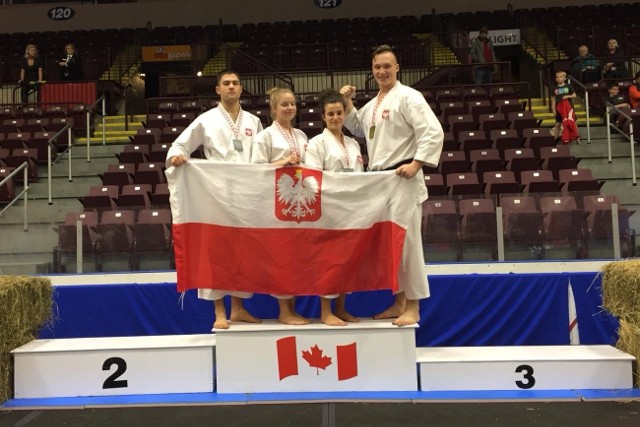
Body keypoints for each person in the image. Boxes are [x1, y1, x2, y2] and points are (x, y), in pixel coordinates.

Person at [340, 44, 444, 326]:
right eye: (377, 67)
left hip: (403, 176)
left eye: (387, 66)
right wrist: (349, 103)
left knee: (409, 245)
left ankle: (414, 306)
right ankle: (399, 302)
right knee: (392, 246)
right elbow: (360, 127)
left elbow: (432, 131)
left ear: (397, 68)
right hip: (380, 180)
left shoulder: (410, 97)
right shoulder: (375, 103)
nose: (382, 71)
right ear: (372, 71)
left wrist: (417, 163)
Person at [166, 69, 263, 330]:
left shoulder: (254, 121)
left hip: (246, 194)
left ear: (241, 89)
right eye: (226, 83)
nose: (231, 87)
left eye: (235, 83)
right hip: (215, 193)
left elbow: (262, 156)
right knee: (218, 253)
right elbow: (179, 145)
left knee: (242, 253)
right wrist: (177, 156)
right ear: (218, 90)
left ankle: (239, 308)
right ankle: (220, 311)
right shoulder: (206, 120)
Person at [251, 86, 311, 325]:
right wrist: (283, 161)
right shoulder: (264, 136)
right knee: (281, 257)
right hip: (276, 202)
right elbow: (255, 169)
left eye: (292, 104)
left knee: (296, 258)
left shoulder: (302, 136)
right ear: (273, 108)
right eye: (284, 104)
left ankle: (293, 309)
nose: (289, 108)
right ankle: (283, 311)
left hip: (301, 203)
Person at [305, 88, 363, 327]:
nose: (336, 117)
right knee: (328, 261)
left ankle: (341, 308)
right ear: (323, 117)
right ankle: (325, 310)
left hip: (352, 209)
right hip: (328, 208)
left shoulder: (353, 143)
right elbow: (310, 177)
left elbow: (361, 175)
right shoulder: (316, 143)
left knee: (346, 261)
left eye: (339, 112)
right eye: (331, 114)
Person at [551, 71, 579, 144]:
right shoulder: (554, 88)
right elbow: (553, 100)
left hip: (569, 108)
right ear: (556, 79)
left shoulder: (569, 86)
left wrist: (568, 96)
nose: (559, 78)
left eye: (561, 77)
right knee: (557, 124)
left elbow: (574, 95)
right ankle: (555, 139)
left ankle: (577, 138)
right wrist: (553, 110)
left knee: (573, 122)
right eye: (557, 77)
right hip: (559, 109)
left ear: (564, 78)